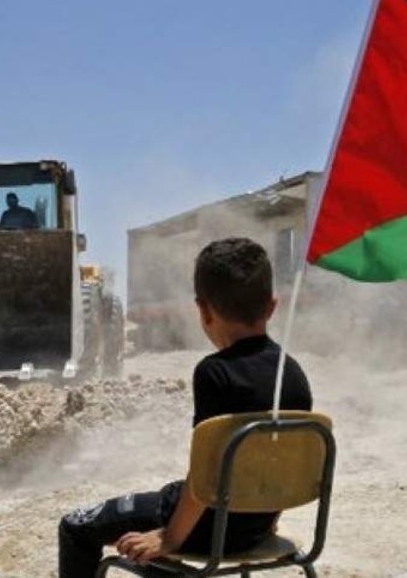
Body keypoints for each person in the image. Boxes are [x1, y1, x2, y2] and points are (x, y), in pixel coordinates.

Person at [57, 238, 312, 577]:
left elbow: (206, 474)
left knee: (75, 526)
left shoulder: (214, 372)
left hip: (207, 526)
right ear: (272, 306)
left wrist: (170, 537)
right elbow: (280, 465)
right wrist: (266, 522)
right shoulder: (292, 373)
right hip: (257, 525)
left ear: (204, 311)